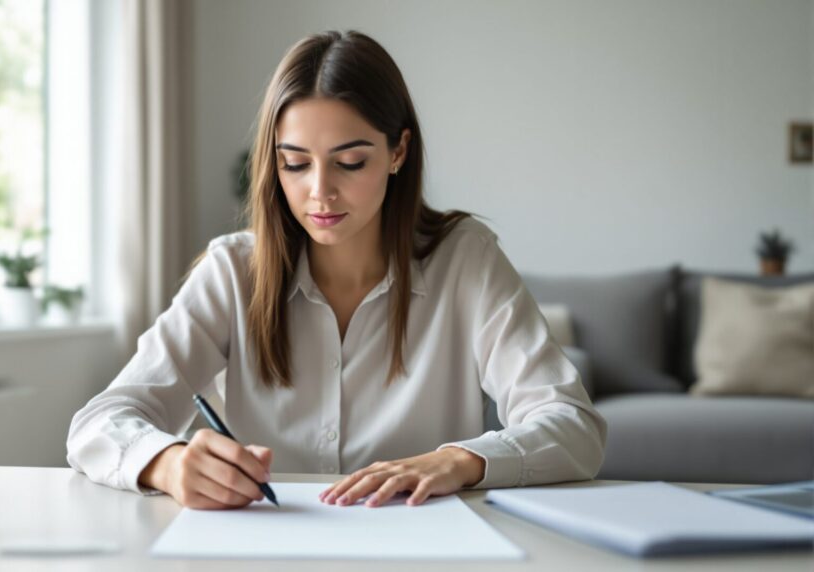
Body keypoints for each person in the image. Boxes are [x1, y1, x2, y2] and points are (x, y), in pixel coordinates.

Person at [67, 30, 606, 510]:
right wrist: (167, 464)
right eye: (295, 163)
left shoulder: (466, 259)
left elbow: (574, 425)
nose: (319, 191)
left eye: (350, 162)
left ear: (398, 152)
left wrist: (459, 461)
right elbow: (98, 422)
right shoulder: (233, 271)